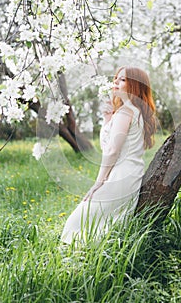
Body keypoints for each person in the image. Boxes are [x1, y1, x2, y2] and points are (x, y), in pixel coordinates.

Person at [61, 66, 156, 245]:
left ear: (135, 85)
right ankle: (93, 260)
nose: (116, 82)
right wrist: (108, 117)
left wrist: (99, 182)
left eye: (122, 80)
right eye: (116, 78)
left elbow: (112, 151)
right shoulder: (132, 111)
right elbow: (109, 146)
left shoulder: (126, 112)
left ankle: (79, 262)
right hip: (130, 174)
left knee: (76, 223)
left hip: (121, 175)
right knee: (103, 225)